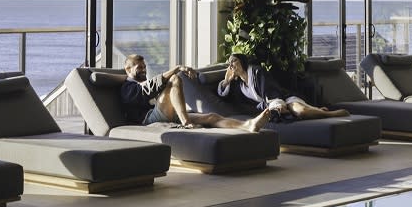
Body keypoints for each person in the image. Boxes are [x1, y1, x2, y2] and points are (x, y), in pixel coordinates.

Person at [121, 54, 270, 132]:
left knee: (212, 117)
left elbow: (153, 88)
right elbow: (146, 91)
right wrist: (177, 68)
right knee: (175, 78)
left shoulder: (142, 84)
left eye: (144, 67)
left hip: (164, 114)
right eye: (139, 67)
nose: (143, 70)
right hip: (147, 119)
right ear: (128, 69)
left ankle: (248, 126)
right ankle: (186, 123)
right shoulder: (127, 87)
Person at [218, 53, 350, 120]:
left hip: (283, 98)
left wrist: (277, 105)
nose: (231, 65)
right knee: (300, 113)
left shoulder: (257, 72)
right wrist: (227, 80)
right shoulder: (238, 86)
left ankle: (331, 114)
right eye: (229, 63)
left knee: (301, 112)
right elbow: (226, 97)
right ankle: (320, 111)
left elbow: (271, 90)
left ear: (243, 61)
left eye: (234, 60)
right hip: (269, 106)